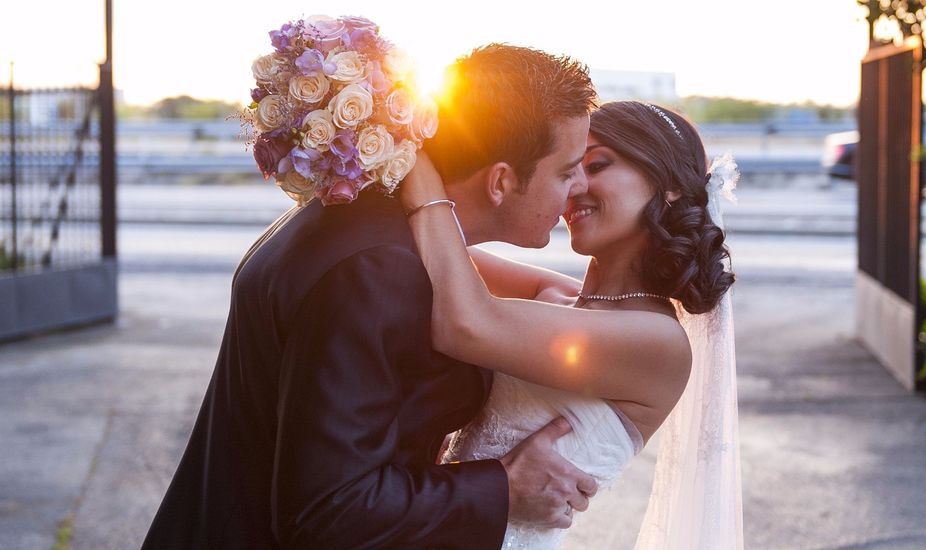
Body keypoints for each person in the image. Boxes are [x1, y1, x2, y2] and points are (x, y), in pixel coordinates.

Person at [141, 44, 599, 549]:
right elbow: (329, 511)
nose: (579, 185)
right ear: (501, 181)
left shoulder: (366, 214)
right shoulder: (376, 269)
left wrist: (535, 287)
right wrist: (503, 488)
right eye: (566, 170)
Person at [400, 100, 743, 549]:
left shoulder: (657, 342)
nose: (574, 186)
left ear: (670, 185)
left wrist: (413, 160)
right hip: (428, 525)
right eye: (568, 170)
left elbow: (463, 322)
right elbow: (435, 252)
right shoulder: (562, 298)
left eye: (597, 165)